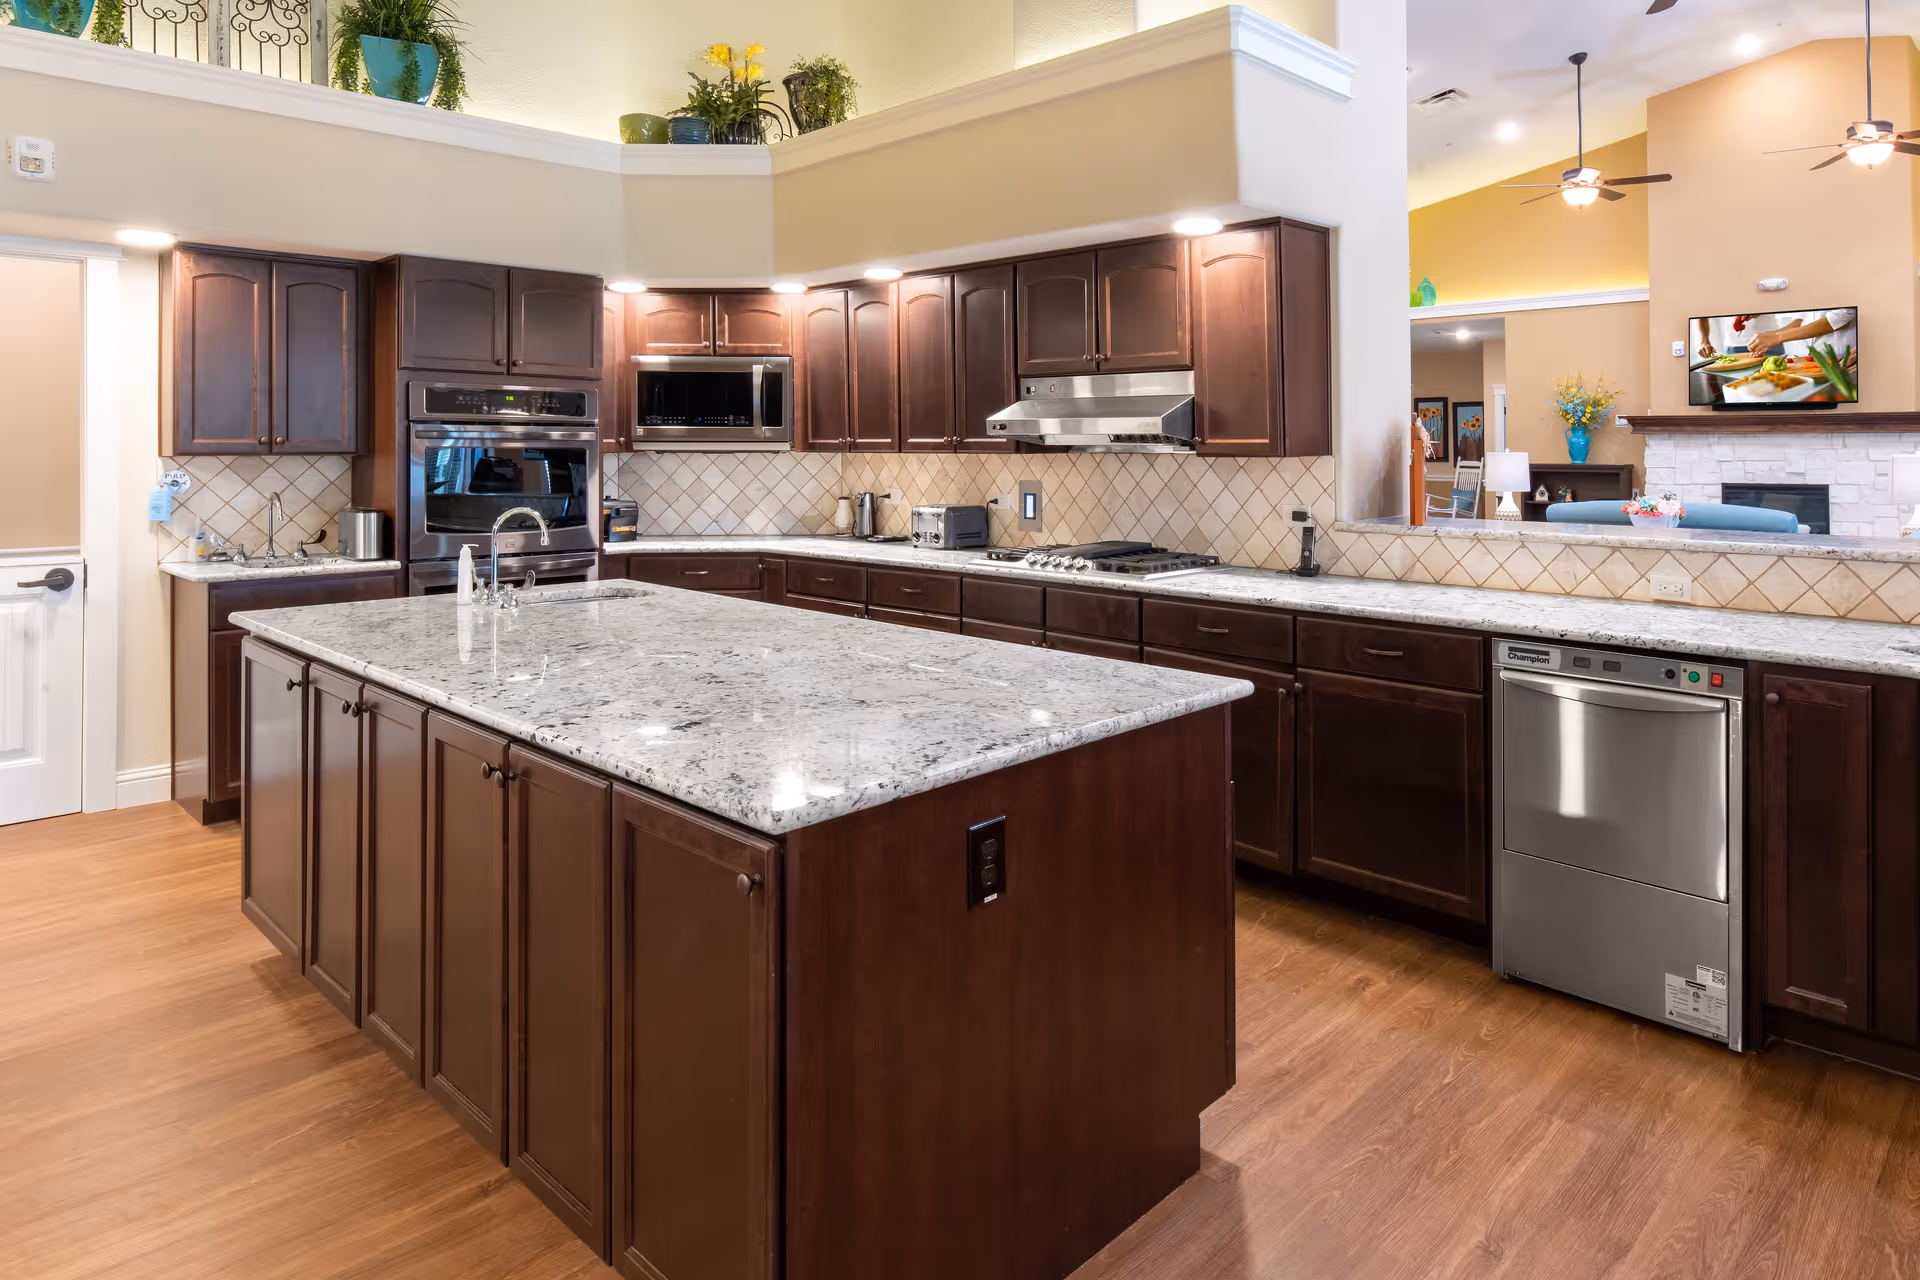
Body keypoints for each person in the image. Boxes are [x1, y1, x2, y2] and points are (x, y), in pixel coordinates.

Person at [1744, 307, 1858, 360]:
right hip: (1804, 358)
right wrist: (1770, 335)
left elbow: (1839, 318)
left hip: (1839, 357)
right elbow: (1800, 320)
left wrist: (1777, 337)